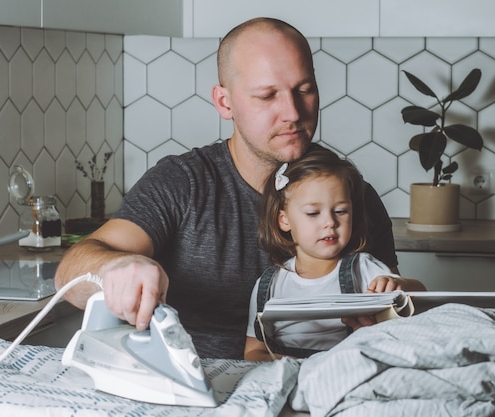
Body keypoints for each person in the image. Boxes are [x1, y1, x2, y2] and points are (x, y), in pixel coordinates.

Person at [54, 17, 400, 360]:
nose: (292, 112)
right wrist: (118, 267)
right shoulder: (183, 182)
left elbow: (396, 309)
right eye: (267, 96)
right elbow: (71, 270)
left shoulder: (355, 196)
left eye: (304, 90)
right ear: (225, 102)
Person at [244, 147, 426, 361]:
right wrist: (288, 364)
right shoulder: (270, 285)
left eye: (340, 211)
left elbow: (420, 300)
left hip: (350, 370)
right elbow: (253, 352)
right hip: (289, 376)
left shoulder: (365, 269)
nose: (330, 222)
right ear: (284, 220)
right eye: (313, 213)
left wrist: (401, 286)